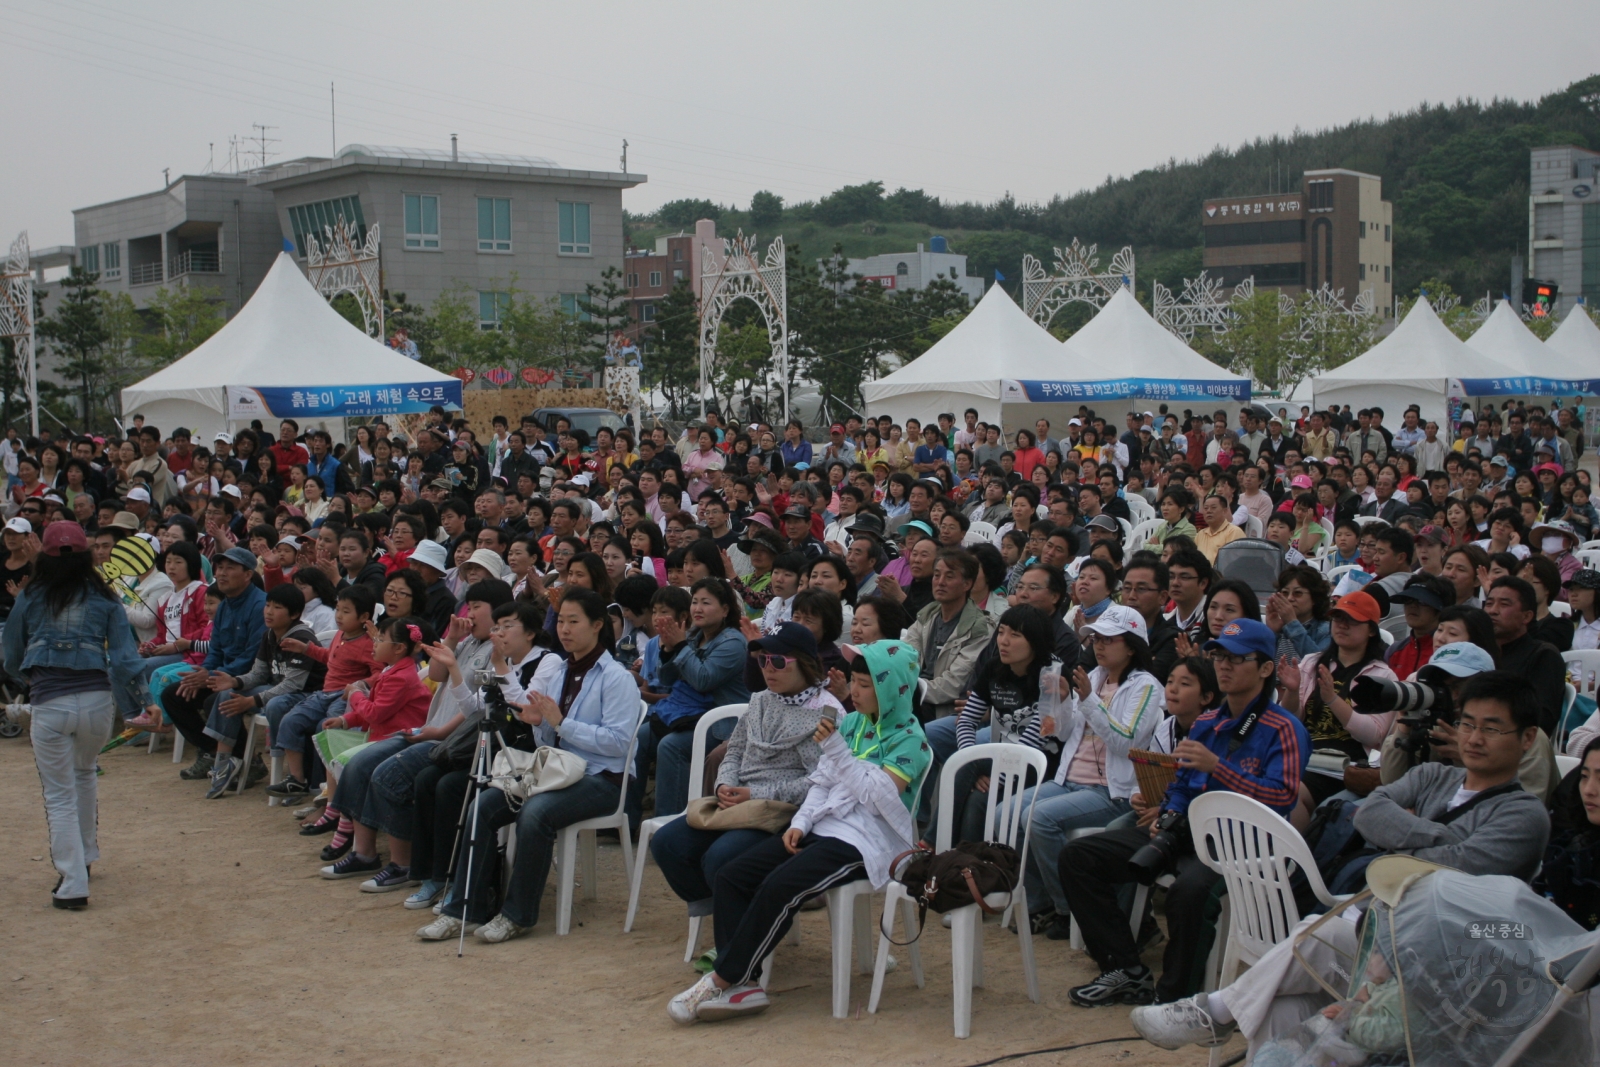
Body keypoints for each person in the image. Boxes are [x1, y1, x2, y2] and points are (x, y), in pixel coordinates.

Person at [1132, 671, 1552, 1056]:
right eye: (1468, 724)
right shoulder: (1433, 777)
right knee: (1280, 1007)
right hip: (1379, 933)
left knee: (1320, 930)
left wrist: (1407, 835)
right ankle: (1219, 1016)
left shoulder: (1524, 815)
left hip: (1440, 961)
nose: (1474, 738)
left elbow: (1459, 868)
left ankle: (1214, 1012)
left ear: (1528, 738)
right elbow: (1369, 813)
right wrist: (1437, 837)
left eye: (1492, 728)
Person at [666, 638, 930, 1024]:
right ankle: (747, 984)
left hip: (867, 840)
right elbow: (821, 783)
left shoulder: (909, 737)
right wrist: (802, 822)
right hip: (824, 825)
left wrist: (838, 750)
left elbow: (878, 801)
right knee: (733, 875)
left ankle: (724, 978)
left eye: (864, 684)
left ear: (891, 689)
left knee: (780, 886)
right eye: (853, 682)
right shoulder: (855, 723)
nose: (853, 692)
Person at [1060, 618, 1309, 1007]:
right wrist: (1168, 812)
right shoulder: (1207, 722)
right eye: (1219, 656)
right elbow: (1180, 784)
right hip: (1186, 830)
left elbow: (1281, 800)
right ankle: (1126, 969)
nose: (1224, 665)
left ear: (1265, 668)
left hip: (1240, 843)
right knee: (1080, 857)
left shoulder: (1283, 728)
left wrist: (1218, 768)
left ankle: (1175, 998)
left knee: (1188, 893)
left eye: (1237, 659)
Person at [417, 589, 639, 943]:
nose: (564, 629)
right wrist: (538, 720)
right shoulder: (561, 670)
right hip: (553, 770)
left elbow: (618, 742)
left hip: (603, 778)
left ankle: (516, 915)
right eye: (561, 621)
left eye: (574, 621)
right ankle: (463, 910)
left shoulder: (616, 677)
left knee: (535, 813)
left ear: (598, 625)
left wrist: (561, 723)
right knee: (484, 804)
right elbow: (525, 707)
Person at [650, 622, 836, 929]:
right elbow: (734, 750)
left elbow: (818, 782)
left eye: (778, 661)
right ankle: (732, 913)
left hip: (779, 813)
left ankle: (742, 927)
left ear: (804, 663)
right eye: (762, 660)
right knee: (667, 843)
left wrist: (755, 795)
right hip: (738, 801)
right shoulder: (761, 698)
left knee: (721, 857)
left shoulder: (824, 713)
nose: (768, 669)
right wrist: (725, 783)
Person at [3, 521, 149, 910]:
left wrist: (28, 678)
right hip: (98, 702)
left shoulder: (31, 595)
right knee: (84, 774)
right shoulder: (105, 595)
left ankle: (72, 883)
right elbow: (123, 658)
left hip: (50, 702)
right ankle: (86, 855)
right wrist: (145, 698)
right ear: (87, 554)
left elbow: (11, 654)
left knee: (59, 793)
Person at [1021, 605, 1164, 939]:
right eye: (1096, 638)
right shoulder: (1094, 677)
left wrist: (1087, 700)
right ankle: (1040, 903)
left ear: (1131, 645)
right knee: (1009, 811)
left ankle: (1071, 908)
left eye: (1108, 639)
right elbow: (1064, 733)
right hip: (1070, 779)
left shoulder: (1146, 687)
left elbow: (1126, 743)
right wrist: (1060, 702)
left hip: (1111, 791)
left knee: (1039, 819)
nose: (1099, 645)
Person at [634, 578, 751, 822]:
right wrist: (668, 648)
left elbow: (703, 680)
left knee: (671, 746)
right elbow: (667, 678)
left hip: (721, 723)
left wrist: (678, 645)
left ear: (725, 609)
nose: (697, 608)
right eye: (695, 602)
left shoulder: (733, 642)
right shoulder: (695, 635)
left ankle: (670, 824)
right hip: (689, 715)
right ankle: (626, 819)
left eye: (706, 603)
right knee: (641, 737)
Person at [1277, 589, 1397, 807]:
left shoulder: (1382, 675)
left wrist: (1332, 699)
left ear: (1371, 630)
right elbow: (1287, 719)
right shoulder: (1312, 663)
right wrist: (1292, 692)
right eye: (1338, 618)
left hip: (1346, 767)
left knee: (1288, 791)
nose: (1342, 625)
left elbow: (1373, 735)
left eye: (1352, 620)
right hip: (1304, 756)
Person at [158, 546, 267, 781]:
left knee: (213, 700)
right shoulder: (226, 605)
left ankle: (247, 762)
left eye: (230, 568)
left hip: (251, 677)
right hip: (222, 674)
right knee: (174, 695)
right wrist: (205, 672)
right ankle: (213, 751)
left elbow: (253, 657)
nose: (222, 573)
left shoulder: (260, 606)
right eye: (220, 567)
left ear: (248, 574)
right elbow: (216, 650)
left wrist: (212, 676)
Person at [902, 549, 994, 720]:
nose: (940, 582)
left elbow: (952, 685)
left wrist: (908, 689)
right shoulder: (926, 616)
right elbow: (906, 658)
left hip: (946, 710)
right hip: (913, 697)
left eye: (949, 577)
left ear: (967, 584)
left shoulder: (979, 629)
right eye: (936, 575)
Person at [1482, 576, 1567, 734]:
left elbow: (1542, 720)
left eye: (1504, 604)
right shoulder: (1478, 652)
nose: (1492, 610)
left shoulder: (1543, 655)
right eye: (1489, 603)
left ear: (1527, 616)